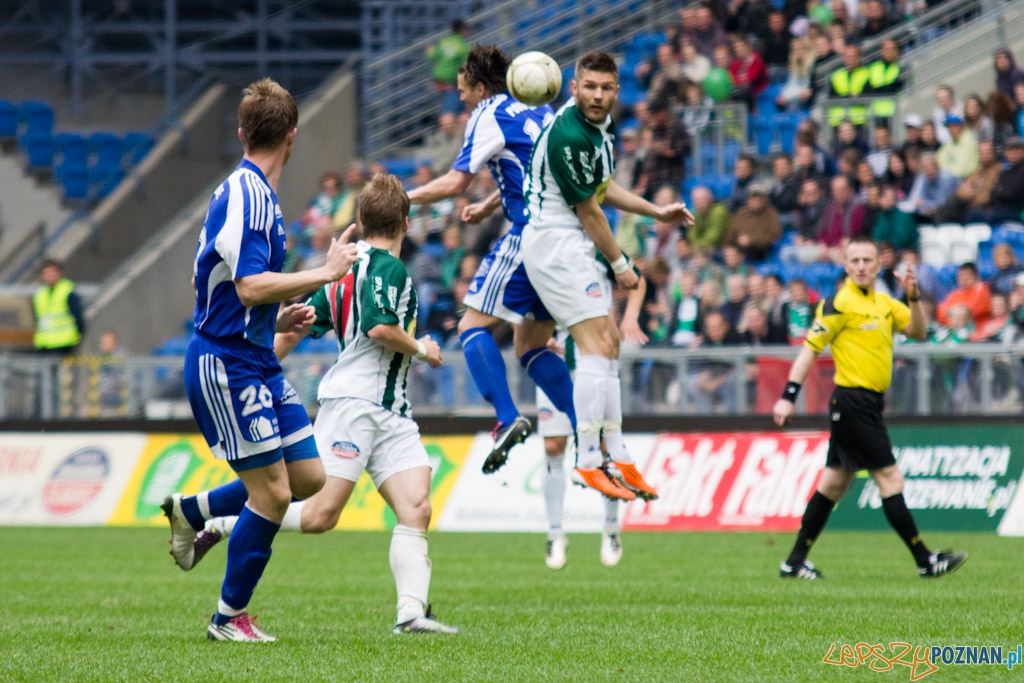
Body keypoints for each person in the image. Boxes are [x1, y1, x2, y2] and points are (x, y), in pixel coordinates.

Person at [187, 173, 457, 635]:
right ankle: (230, 523)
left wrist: (260, 362)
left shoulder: (342, 269)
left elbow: (297, 328)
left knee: (417, 506)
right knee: (318, 516)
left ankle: (411, 613)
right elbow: (379, 329)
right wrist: (424, 349)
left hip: (391, 410)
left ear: (359, 218)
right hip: (355, 403)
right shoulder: (388, 269)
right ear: (407, 223)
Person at [161, 78, 359, 642]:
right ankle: (228, 619)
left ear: (242, 132)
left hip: (255, 354)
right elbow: (247, 286)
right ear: (293, 137)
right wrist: (325, 273)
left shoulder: (258, 196)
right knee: (271, 494)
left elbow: (237, 291)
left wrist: (278, 320)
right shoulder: (248, 195)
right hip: (226, 362)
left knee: (308, 477)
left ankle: (193, 510)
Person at [521, 50, 692, 500]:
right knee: (596, 346)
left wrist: (656, 211)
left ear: (617, 90)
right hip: (554, 245)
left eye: (605, 88)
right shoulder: (569, 136)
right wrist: (621, 267)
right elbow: (590, 210)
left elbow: (602, 188)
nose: (597, 96)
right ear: (573, 87)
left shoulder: (603, 126)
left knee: (609, 342)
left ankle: (616, 452)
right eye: (589, 87)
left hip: (570, 243)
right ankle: (588, 460)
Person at [406, 45, 575, 475]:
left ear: (481, 87)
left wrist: (403, 196)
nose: (461, 99)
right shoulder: (537, 106)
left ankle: (504, 418)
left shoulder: (488, 112)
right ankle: (589, 429)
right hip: (567, 236)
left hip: (530, 233)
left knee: (471, 325)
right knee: (530, 344)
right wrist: (490, 204)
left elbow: (454, 182)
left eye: (463, 91)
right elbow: (540, 169)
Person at [773, 235, 967, 580]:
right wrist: (789, 395)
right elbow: (809, 349)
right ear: (845, 266)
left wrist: (913, 296)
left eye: (867, 260)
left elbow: (919, 332)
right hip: (852, 402)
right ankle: (925, 560)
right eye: (855, 261)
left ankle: (793, 562)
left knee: (832, 485)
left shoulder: (885, 303)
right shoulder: (837, 304)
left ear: (879, 265)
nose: (861, 266)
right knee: (890, 478)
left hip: (867, 404)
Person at [33, 258, 85, 356]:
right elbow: (37, 320)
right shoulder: (39, 294)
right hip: (45, 344)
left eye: (52, 272)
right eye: (46, 273)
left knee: (65, 371)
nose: (49, 275)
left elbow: (78, 318)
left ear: (59, 273)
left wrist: (78, 337)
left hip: (65, 344)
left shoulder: (67, 291)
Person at [427, 19, 470, 114]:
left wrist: (429, 50)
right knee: (456, 109)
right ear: (463, 30)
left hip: (438, 81)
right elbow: (468, 64)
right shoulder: (463, 46)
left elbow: (432, 56)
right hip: (451, 84)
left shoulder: (443, 42)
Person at [936, 115, 979, 180]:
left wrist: (946, 170)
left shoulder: (968, 140)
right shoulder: (950, 143)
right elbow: (938, 161)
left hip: (967, 180)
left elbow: (962, 171)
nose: (951, 130)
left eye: (954, 126)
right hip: (951, 180)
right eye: (949, 127)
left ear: (961, 126)